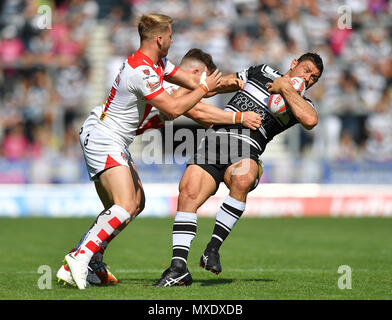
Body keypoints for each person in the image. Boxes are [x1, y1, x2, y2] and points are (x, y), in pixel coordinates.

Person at [57, 13, 225, 290]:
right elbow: (173, 108)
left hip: (113, 139)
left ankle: (93, 260)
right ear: (160, 39)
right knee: (124, 205)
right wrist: (222, 103)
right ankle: (79, 256)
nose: (172, 40)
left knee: (135, 203)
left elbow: (194, 84)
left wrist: (237, 81)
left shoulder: (158, 64)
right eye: (170, 36)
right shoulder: (142, 71)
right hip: (103, 136)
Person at [153, 52, 324, 287]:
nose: (308, 78)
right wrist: (211, 85)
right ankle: (178, 268)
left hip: (247, 146)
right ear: (293, 64)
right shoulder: (261, 71)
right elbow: (215, 86)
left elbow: (311, 120)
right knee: (188, 193)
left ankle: (212, 248)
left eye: (314, 78)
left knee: (244, 177)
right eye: (306, 71)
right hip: (216, 139)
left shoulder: (300, 102)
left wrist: (286, 88)